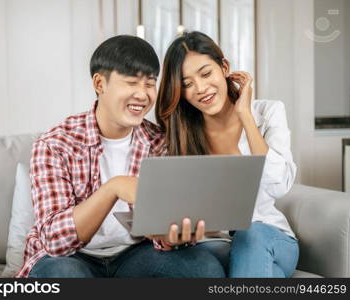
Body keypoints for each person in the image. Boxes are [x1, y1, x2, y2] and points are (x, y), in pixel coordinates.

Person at [15, 35, 226, 278]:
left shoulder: (159, 143)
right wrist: (113, 188)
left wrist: (171, 237)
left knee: (203, 268)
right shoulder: (55, 144)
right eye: (131, 83)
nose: (142, 94)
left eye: (149, 84)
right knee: (62, 275)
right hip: (72, 258)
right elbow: (56, 242)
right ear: (99, 84)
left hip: (135, 254)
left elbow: (165, 232)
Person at [155, 31, 299, 277]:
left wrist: (246, 116)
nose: (200, 88)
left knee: (250, 234)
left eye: (206, 73)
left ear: (224, 67)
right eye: (187, 84)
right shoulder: (181, 134)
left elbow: (279, 185)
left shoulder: (268, 112)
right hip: (211, 245)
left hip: (267, 237)